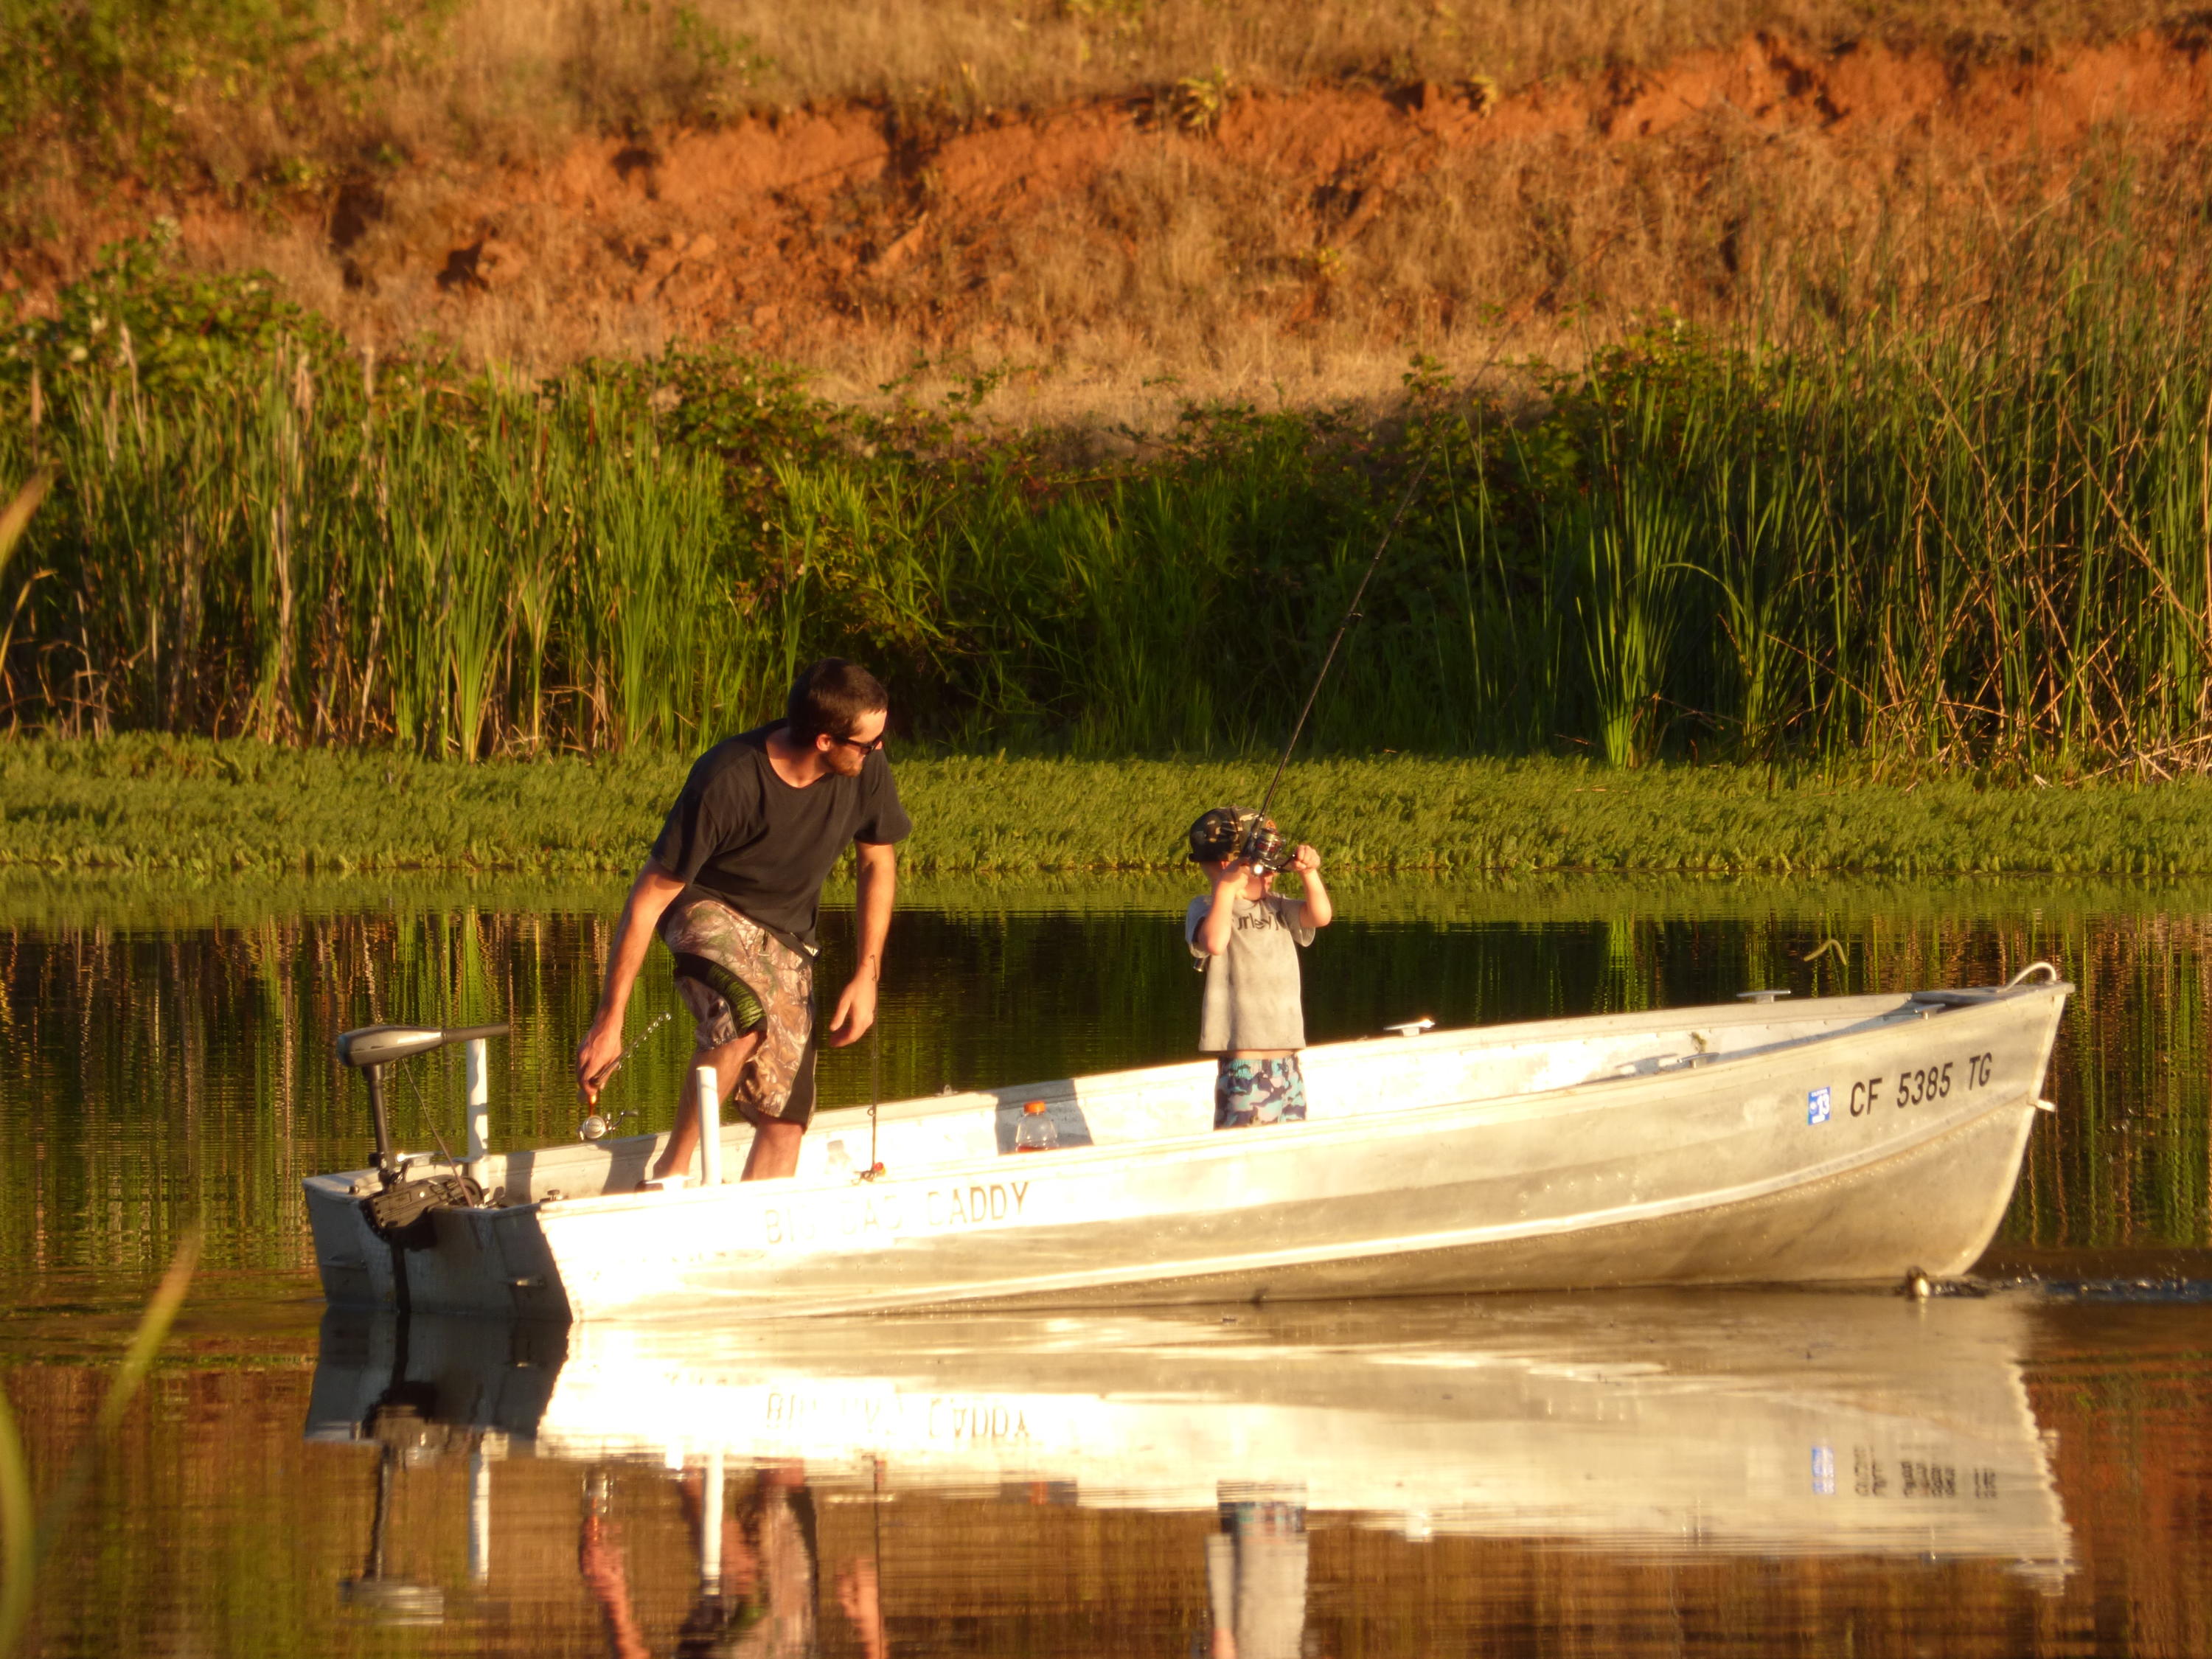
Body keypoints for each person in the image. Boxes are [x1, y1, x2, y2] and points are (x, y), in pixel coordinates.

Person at [574, 658, 911, 1183]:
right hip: (706, 907)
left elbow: (877, 862)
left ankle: (753, 1231)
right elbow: (647, 899)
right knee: (742, 1014)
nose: (879, 751)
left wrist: (867, 975)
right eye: (869, 744)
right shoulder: (727, 777)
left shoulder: (866, 769)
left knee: (787, 1117)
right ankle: (671, 1173)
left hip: (787, 937)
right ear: (824, 740)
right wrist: (609, 1021)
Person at [1185, 807, 1332, 1129]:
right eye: (1264, 868)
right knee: (1245, 1149)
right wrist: (1226, 888)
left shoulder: (1277, 904)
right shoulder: (1207, 908)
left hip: (1287, 1061)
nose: (1272, 875)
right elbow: (1214, 943)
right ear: (1230, 865)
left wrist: (1310, 873)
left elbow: (1320, 916)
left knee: (1289, 1145)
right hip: (1244, 1063)